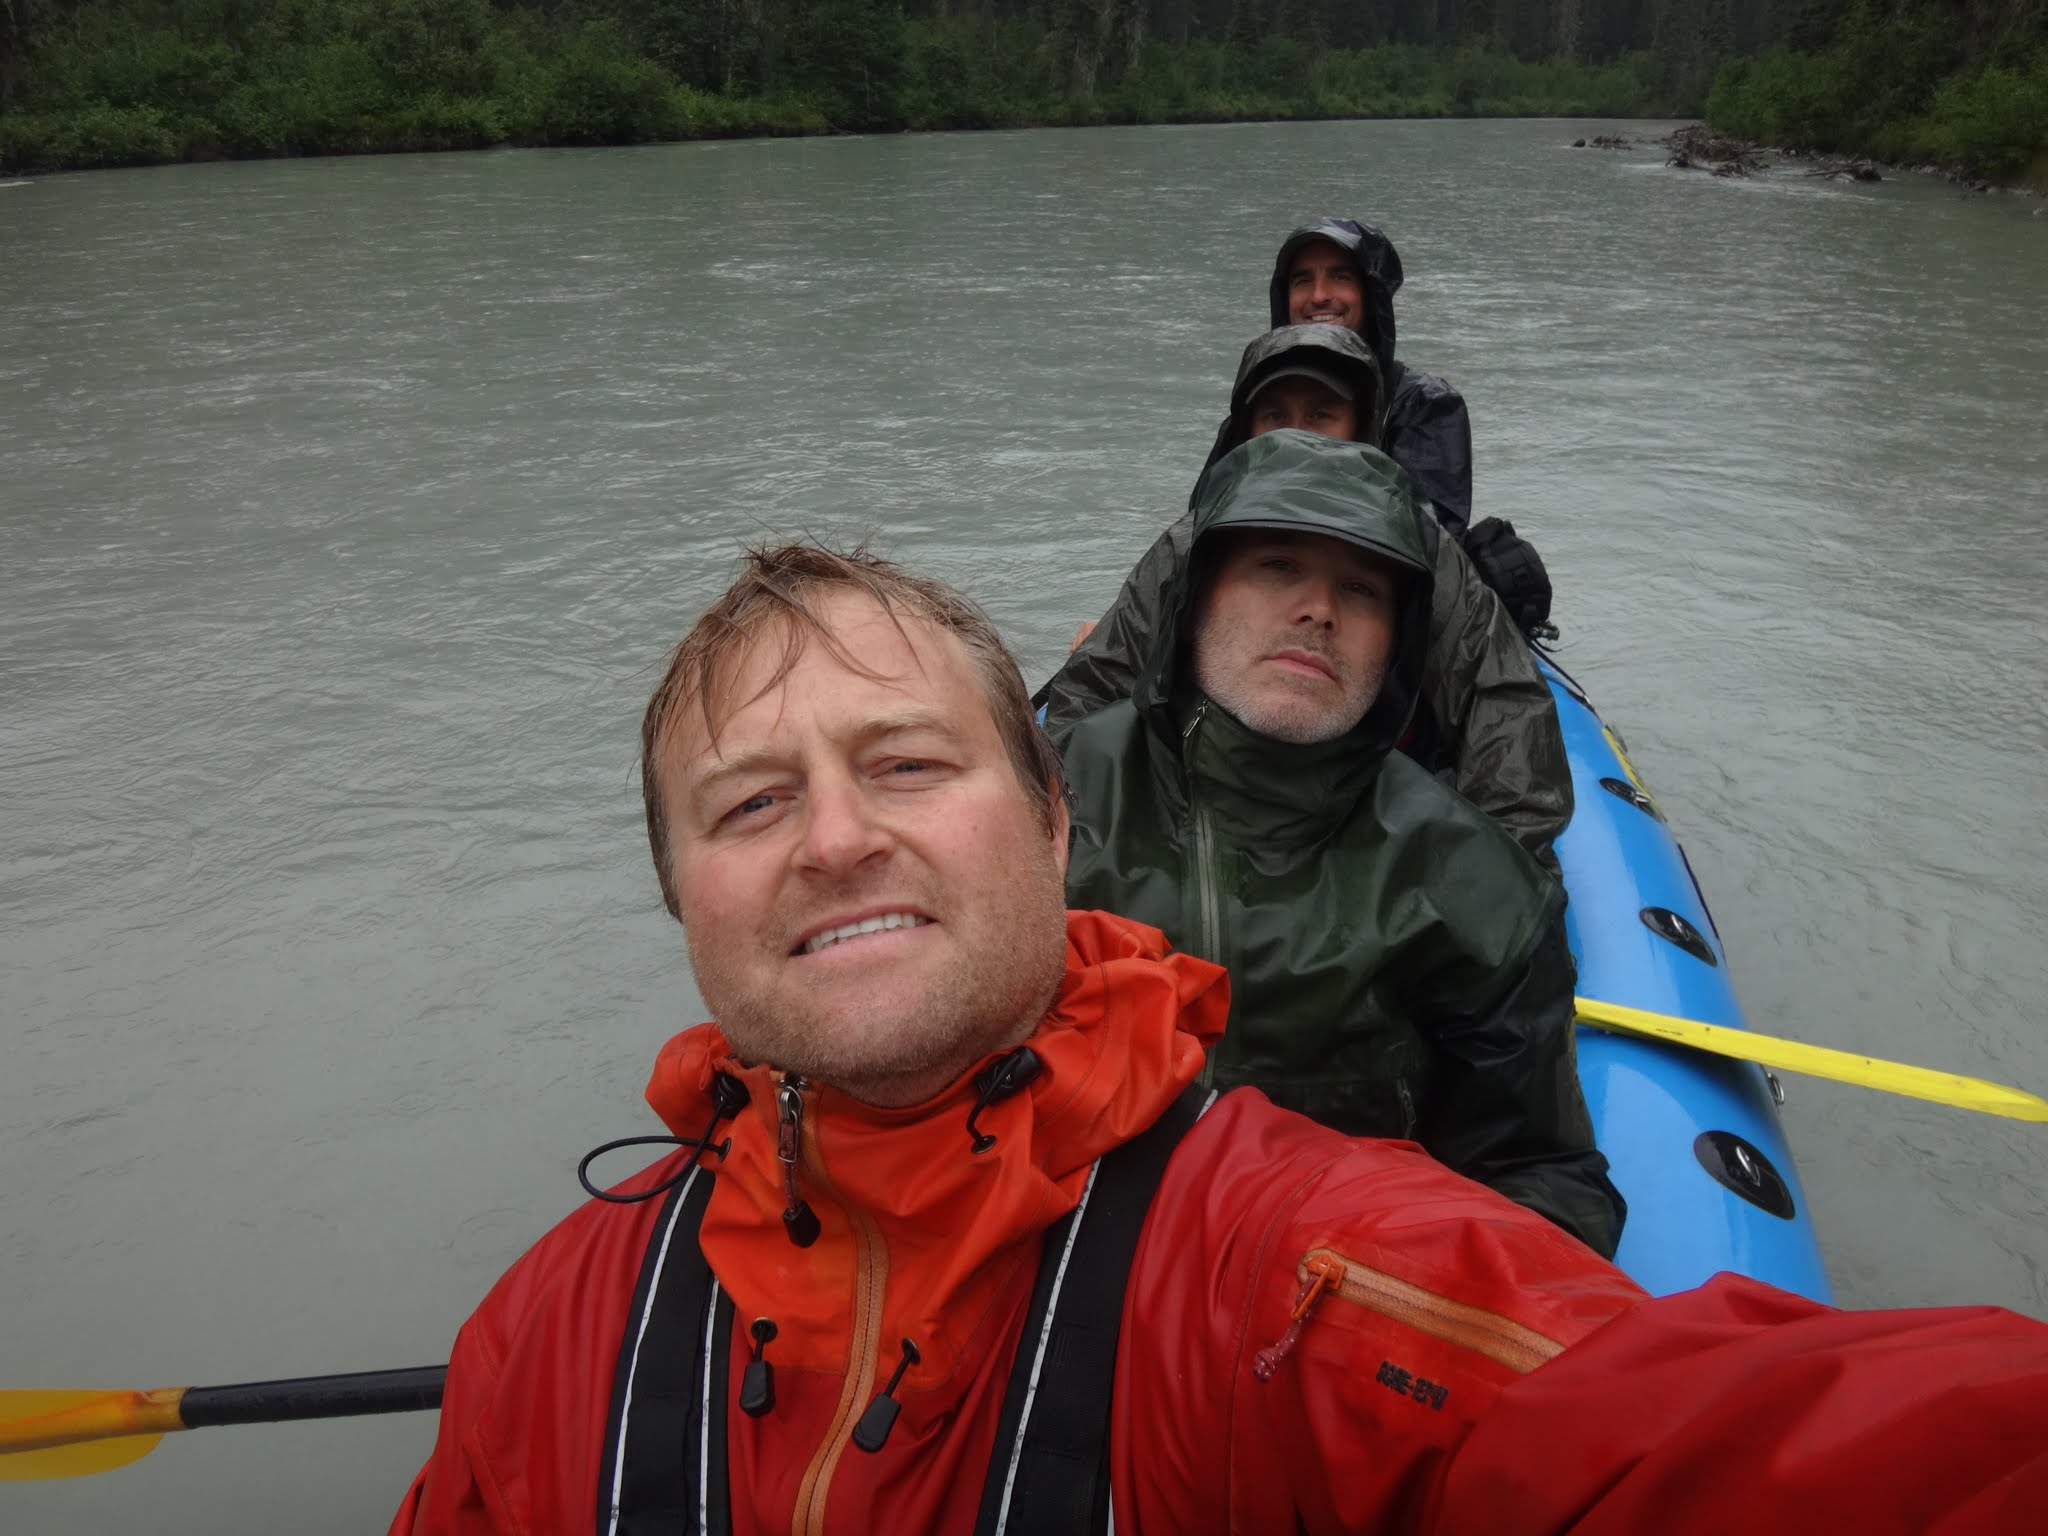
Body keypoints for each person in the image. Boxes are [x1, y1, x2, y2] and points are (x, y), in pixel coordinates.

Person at [392, 542, 2048, 1536]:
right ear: (679, 890)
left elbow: (1700, 1440)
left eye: (905, 763)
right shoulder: (541, 1342)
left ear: (1052, 828)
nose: (832, 839)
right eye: (750, 802)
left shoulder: (1302, 1277)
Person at [1058, 428, 1618, 1253]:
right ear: (1196, 596)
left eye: (1362, 590)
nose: (1319, 609)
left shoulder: (1466, 878)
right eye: (1278, 567)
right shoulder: (1044, 802)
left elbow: (1538, 1171)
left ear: (1398, 644)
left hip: (1317, 1306)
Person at [1043, 324, 1572, 870]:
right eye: (1273, 416)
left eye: (1321, 415)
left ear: (1362, 430)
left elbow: (1506, 713)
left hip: (1361, 832)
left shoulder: (1422, 552)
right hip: (1197, 819)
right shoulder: (1195, 541)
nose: (1294, 436)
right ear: (1246, 430)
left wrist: (1477, 880)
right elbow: (1092, 692)